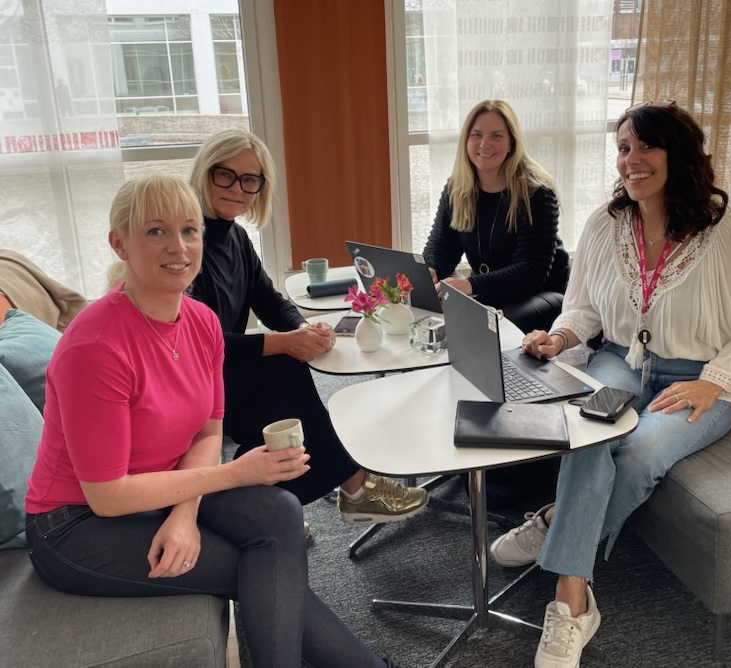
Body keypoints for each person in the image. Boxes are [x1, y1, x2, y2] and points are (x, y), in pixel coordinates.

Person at [24, 175, 402, 667]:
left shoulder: (201, 322)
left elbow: (208, 428)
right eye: (156, 231)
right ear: (120, 244)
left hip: (161, 489)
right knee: (257, 566)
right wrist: (235, 473)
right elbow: (108, 495)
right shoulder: (95, 347)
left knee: (280, 510)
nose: (178, 247)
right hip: (77, 524)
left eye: (189, 230)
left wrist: (185, 513)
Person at [489, 102, 731, 668]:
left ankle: (555, 538)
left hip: (700, 377)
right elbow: (584, 308)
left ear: (679, 154)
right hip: (621, 360)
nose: (632, 160)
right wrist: (559, 337)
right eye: (624, 148)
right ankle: (574, 596)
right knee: (591, 434)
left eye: (647, 146)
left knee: (641, 453)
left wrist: (714, 382)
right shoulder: (606, 223)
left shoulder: (726, 232)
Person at [187, 129, 428, 523]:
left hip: (223, 367)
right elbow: (197, 343)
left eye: (249, 180)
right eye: (225, 175)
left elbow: (269, 299)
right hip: (193, 379)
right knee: (283, 373)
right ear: (205, 172)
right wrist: (284, 343)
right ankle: (354, 487)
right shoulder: (189, 243)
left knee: (286, 373)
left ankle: (274, 505)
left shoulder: (237, 238)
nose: (237, 188)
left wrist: (302, 328)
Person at [422, 99, 570, 335]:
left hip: (543, 293)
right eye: (476, 135)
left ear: (512, 143)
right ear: (466, 141)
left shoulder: (536, 193)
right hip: (492, 290)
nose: (484, 144)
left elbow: (530, 271)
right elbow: (442, 246)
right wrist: (432, 270)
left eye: (496, 136)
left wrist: (470, 284)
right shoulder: (457, 189)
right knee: (439, 313)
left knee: (490, 327)